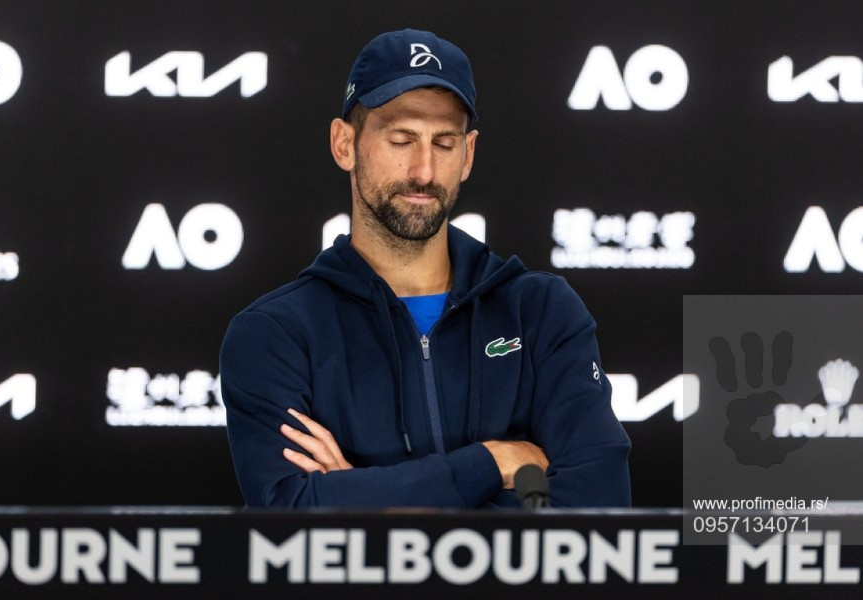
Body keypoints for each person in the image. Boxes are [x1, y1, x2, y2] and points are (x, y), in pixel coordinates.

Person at [220, 29, 631, 508]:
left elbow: (598, 507)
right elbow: (289, 517)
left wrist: (360, 501)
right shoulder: (276, 333)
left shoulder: (541, 311)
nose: (424, 171)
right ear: (344, 144)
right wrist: (489, 464)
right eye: (402, 139)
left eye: (444, 143)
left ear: (468, 155)